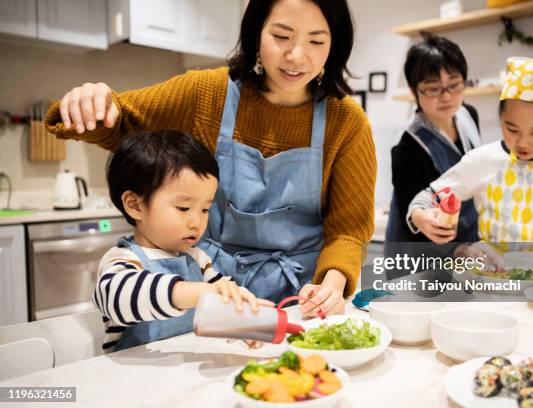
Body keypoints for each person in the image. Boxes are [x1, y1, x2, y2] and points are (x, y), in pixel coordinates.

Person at [45, 0, 375, 315]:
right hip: (213, 290)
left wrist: (331, 286)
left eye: (316, 41)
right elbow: (121, 120)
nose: (296, 55)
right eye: (281, 36)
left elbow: (348, 230)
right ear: (256, 32)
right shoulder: (208, 93)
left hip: (302, 299)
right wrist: (89, 104)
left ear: (335, 45)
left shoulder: (346, 122)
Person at [408, 56, 533, 262]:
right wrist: (420, 216)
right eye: (511, 128)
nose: (523, 142)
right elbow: (427, 198)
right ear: (501, 118)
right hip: (494, 283)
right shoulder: (484, 160)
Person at [96, 130, 271, 352]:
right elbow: (118, 297)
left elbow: (220, 304)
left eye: (205, 209)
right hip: (131, 378)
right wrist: (201, 293)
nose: (197, 222)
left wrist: (242, 323)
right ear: (135, 205)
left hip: (185, 375)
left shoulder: (198, 258)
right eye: (183, 208)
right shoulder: (124, 259)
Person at [385, 35, 481, 252]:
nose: (446, 96)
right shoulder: (407, 145)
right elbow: (411, 212)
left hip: (466, 241)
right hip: (419, 254)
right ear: (414, 91)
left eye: (454, 85)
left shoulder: (468, 115)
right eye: (433, 88)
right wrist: (422, 218)